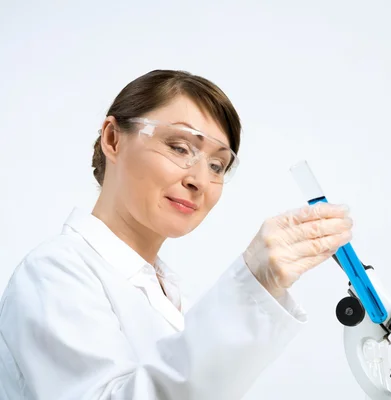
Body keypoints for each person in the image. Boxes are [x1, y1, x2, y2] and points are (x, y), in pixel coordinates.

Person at [0, 70, 353, 400]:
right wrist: (253, 284)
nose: (199, 179)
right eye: (179, 147)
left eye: (217, 165)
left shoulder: (171, 292)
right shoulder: (53, 272)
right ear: (113, 139)